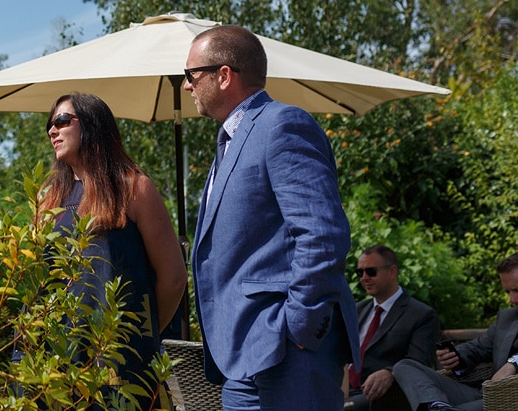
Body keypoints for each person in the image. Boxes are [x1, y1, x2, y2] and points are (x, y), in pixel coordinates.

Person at [184, 24, 359, 411]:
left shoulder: (282, 125)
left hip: (288, 351)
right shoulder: (231, 139)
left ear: (224, 75)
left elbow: (322, 235)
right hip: (242, 356)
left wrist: (298, 326)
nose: (186, 86)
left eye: (191, 75)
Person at [39, 93, 186, 405]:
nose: (53, 130)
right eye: (49, 124)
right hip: (60, 355)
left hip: (120, 357)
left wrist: (138, 332)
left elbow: (173, 276)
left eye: (62, 120)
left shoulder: (133, 188)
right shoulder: (47, 197)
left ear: (93, 125)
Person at [392, 253, 518, 411]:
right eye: (508, 292)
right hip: (486, 396)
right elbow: (477, 347)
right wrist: (455, 355)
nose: (511, 300)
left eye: (517, 291)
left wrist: (514, 363)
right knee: (404, 366)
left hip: (510, 401)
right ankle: (437, 406)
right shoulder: (508, 317)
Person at [345, 245, 439, 411]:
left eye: (371, 271)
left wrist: (390, 372)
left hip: (379, 396)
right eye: (360, 272)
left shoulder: (421, 314)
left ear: (392, 271)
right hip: (343, 389)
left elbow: (419, 362)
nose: (364, 278)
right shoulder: (357, 310)